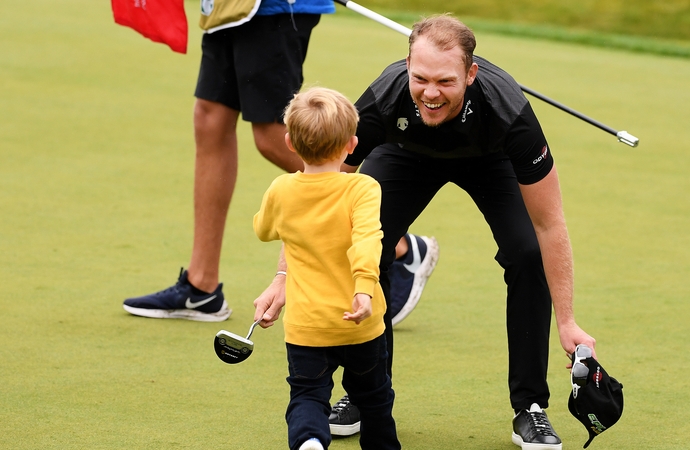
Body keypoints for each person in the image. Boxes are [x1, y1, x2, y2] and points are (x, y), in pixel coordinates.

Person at [258, 14, 597, 450]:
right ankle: (365, 393)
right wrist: (283, 276)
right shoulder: (385, 97)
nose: (430, 93)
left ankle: (530, 407)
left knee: (527, 252)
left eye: (445, 81)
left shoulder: (510, 113)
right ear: (406, 65)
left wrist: (567, 320)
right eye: (420, 78)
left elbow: (550, 224)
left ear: (471, 74)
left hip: (488, 160)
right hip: (405, 154)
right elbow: (315, 194)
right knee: (366, 243)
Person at [121, 0, 438, 325]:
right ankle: (201, 287)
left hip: (273, 7)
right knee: (211, 116)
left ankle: (397, 246)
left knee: (274, 134)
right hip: (227, 8)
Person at [253, 87, 401, 450]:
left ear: (289, 142)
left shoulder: (281, 189)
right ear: (352, 144)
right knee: (375, 399)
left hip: (307, 326)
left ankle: (309, 443)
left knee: (307, 396)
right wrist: (364, 289)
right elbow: (368, 240)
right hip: (361, 322)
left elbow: (263, 229)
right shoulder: (363, 188)